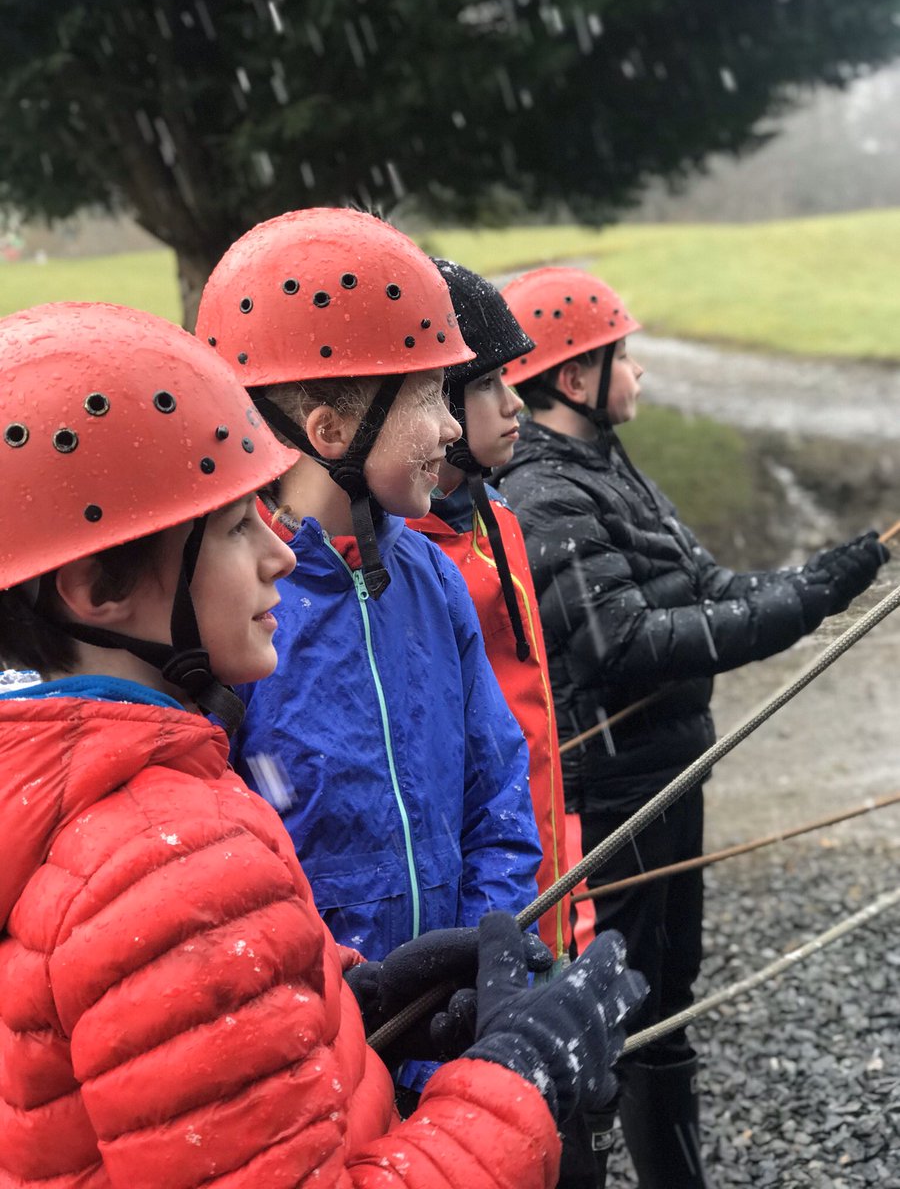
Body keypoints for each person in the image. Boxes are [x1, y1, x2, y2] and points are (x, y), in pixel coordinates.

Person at [0, 299, 648, 1188]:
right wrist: (517, 1081)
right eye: (233, 527)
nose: (276, 552)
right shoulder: (167, 865)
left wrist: (341, 998)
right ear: (94, 587)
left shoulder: (117, 802)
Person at [493, 266, 890, 1189]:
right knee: (615, 1011)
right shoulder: (545, 492)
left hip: (671, 766)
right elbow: (623, 645)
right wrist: (801, 608)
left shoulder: (605, 467)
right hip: (617, 790)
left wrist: (831, 577)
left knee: (669, 995)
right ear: (570, 377)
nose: (637, 373)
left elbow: (706, 590)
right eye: (620, 356)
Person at [196, 209, 545, 1107]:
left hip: (449, 1037)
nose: (448, 429)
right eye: (430, 397)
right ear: (328, 430)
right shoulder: (233, 619)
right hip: (317, 1062)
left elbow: (496, 795)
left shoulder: (429, 576)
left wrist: (477, 973)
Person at [407, 258, 570, 965]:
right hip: (481, 905)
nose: (515, 406)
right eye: (484, 385)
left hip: (537, 860)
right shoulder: (407, 559)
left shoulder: (494, 520)